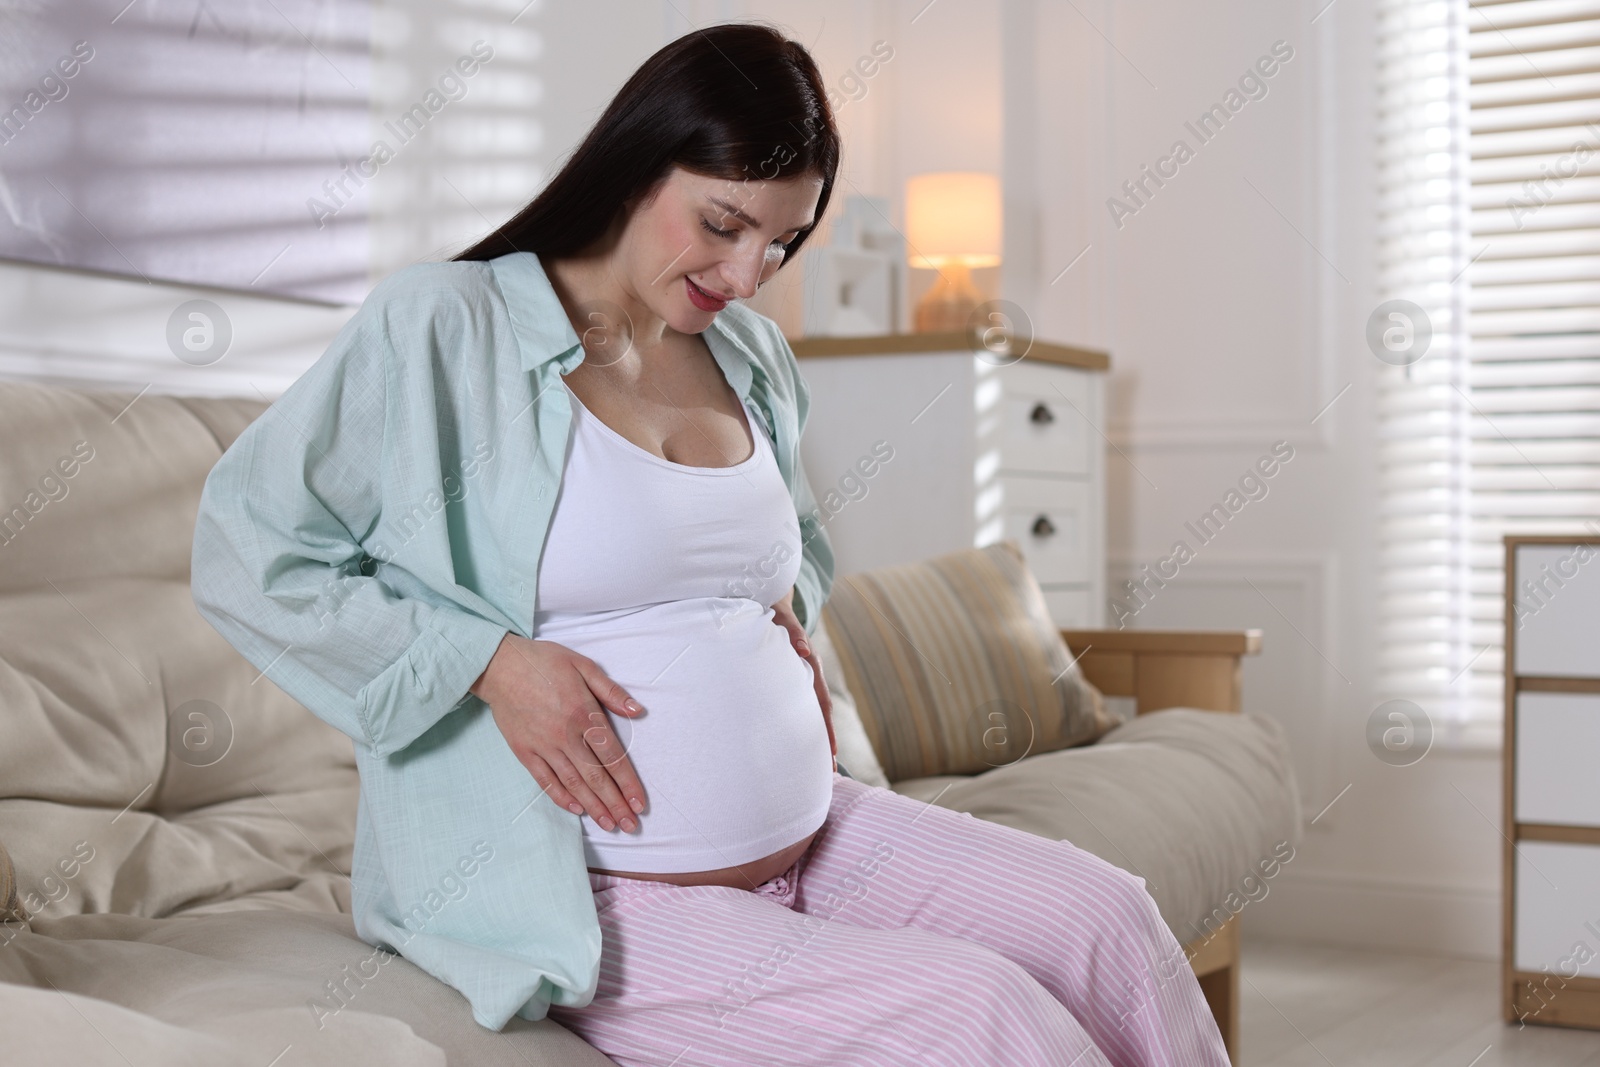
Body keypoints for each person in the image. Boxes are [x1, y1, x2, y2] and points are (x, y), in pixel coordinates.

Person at [191, 20, 1229, 1067]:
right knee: (985, 1015)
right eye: (724, 223)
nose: (746, 273)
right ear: (637, 163)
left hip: (813, 830)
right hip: (578, 887)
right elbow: (252, 548)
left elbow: (798, 551)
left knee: (1111, 924)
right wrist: (491, 664)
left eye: (780, 242)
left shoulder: (751, 353)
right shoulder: (443, 327)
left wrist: (783, 628)